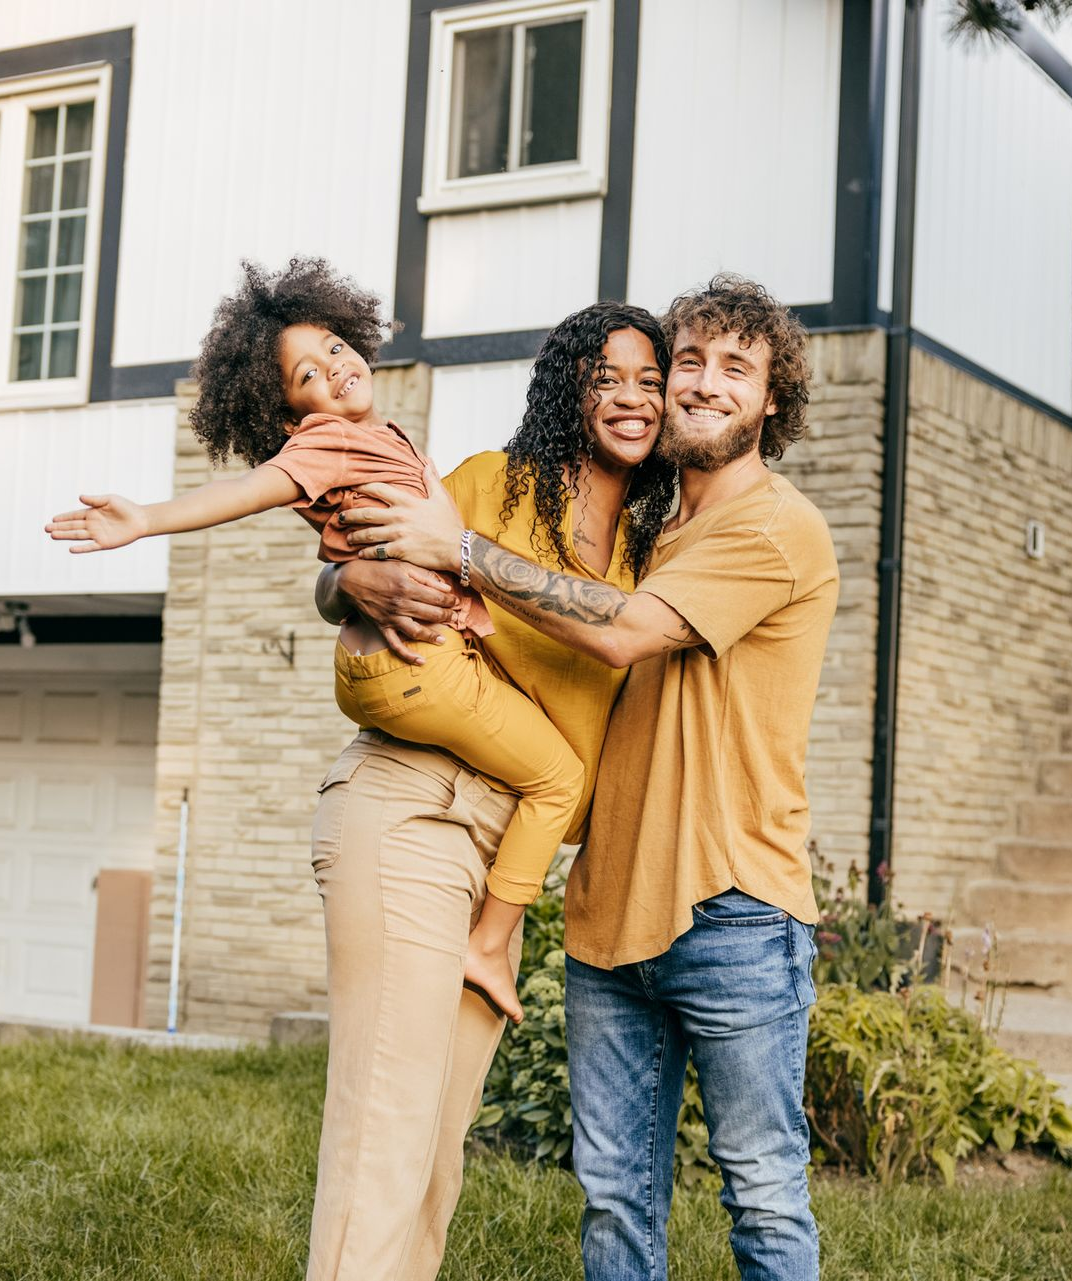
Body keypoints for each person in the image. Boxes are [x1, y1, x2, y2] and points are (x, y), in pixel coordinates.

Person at [341, 274, 839, 1281]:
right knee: (614, 1202)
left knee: (763, 1194)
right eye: (686, 363)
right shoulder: (642, 535)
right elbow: (434, 564)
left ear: (771, 398)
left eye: (732, 369)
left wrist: (466, 556)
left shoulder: (774, 527)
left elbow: (622, 638)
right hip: (608, 911)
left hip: (733, 908)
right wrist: (349, 578)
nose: (699, 386)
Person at [44, 256, 595, 1023]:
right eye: (307, 373)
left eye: (335, 345)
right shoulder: (322, 446)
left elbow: (362, 552)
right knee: (560, 778)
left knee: (529, 765)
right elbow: (244, 492)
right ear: (287, 415)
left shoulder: (383, 438)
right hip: (417, 670)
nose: (335, 368)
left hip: (394, 667)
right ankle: (490, 943)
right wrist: (146, 519)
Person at [308, 299, 675, 1280]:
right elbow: (346, 570)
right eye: (609, 377)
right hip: (415, 800)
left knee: (434, 1157)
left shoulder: (650, 561)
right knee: (385, 1140)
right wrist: (353, 586)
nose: (632, 399)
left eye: (650, 379)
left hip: (503, 862)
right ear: (571, 387)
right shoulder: (487, 484)